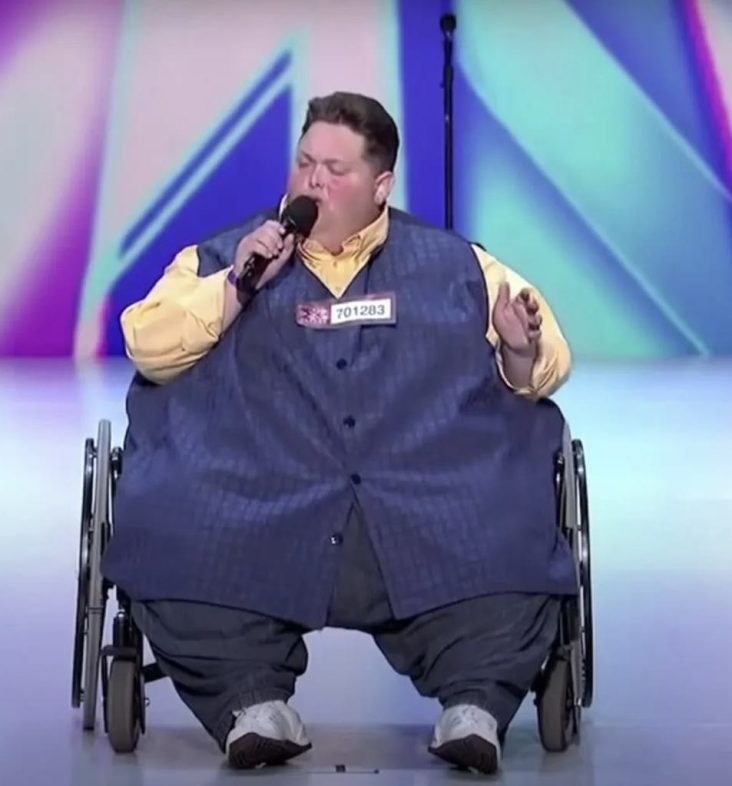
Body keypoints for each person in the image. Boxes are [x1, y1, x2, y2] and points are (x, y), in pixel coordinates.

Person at [102, 91, 576, 775]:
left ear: (381, 185)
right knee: (183, 526)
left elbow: (543, 367)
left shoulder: (460, 266)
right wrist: (237, 285)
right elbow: (149, 345)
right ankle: (248, 703)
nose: (313, 182)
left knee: (501, 527)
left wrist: (520, 349)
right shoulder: (221, 258)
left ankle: (475, 705)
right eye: (305, 163)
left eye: (335, 169)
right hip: (258, 482)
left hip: (421, 484)